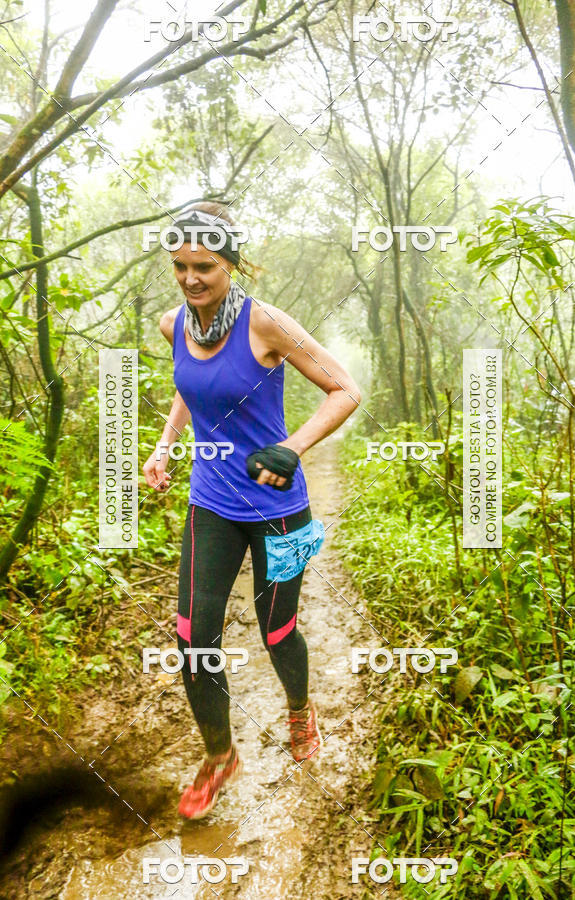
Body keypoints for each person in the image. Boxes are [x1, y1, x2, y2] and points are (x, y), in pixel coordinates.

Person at [142, 201, 361, 819]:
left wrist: (291, 449)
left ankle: (299, 710)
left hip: (276, 507)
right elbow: (192, 391)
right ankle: (219, 756)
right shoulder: (172, 325)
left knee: (277, 628)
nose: (191, 279)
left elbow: (345, 389)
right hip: (210, 501)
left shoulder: (265, 325)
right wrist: (164, 445)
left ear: (231, 265)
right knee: (192, 637)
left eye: (205, 266)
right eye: (181, 266)